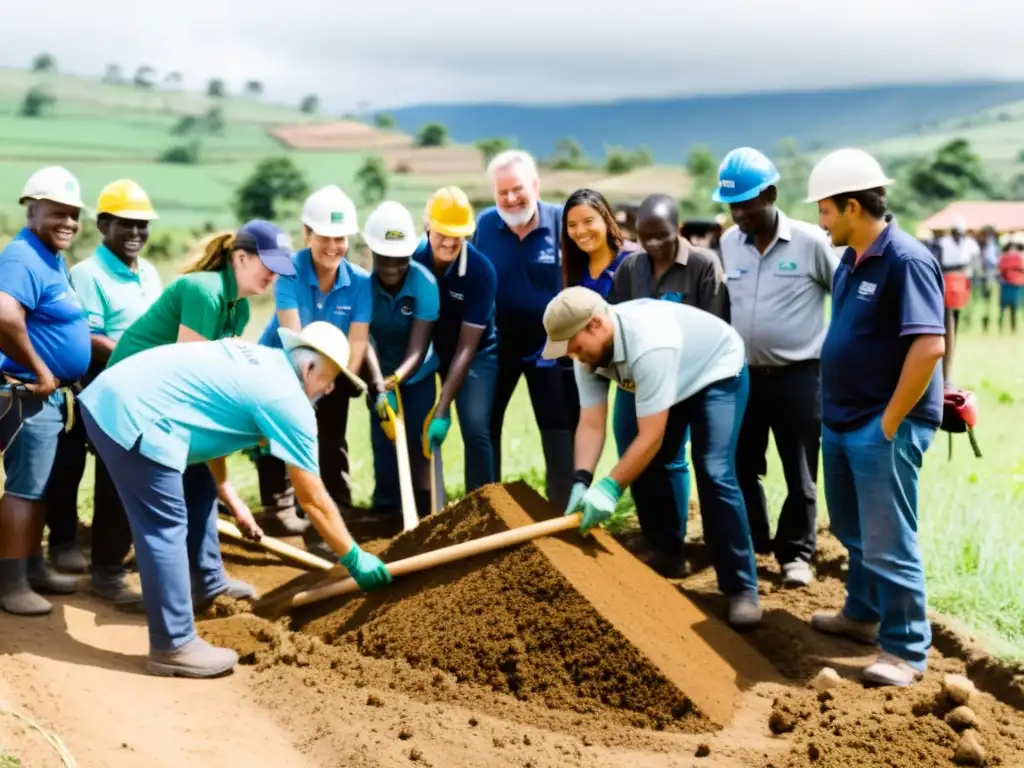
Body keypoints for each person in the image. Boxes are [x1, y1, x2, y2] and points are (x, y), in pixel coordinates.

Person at [78, 322, 392, 677]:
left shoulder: (263, 361)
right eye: (330, 378)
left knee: (191, 494)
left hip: (117, 394)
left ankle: (202, 586)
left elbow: (208, 420)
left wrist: (228, 493)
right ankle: (174, 644)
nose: (331, 388)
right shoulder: (288, 400)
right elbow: (313, 498)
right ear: (308, 368)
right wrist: (353, 557)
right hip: (133, 414)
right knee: (165, 525)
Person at [806, 148, 946, 687]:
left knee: (888, 536)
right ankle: (861, 615)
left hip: (882, 424)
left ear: (852, 207)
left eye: (825, 211)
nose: (820, 223)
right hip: (843, 417)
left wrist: (890, 421)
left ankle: (906, 649)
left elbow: (929, 346)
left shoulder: (906, 260)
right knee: (850, 526)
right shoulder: (850, 259)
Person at [544, 286, 761, 630]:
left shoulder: (648, 344)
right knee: (635, 454)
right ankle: (666, 551)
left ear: (595, 325)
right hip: (664, 377)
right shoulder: (589, 352)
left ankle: (741, 588)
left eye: (574, 345)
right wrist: (582, 480)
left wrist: (610, 488)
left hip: (714, 370)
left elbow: (653, 436)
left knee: (714, 469)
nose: (572, 354)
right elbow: (590, 423)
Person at [105, 219, 297, 601]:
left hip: (160, 405)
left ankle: (207, 580)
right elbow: (187, 385)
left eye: (280, 269)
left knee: (201, 481)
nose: (274, 275)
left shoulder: (236, 311)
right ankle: (160, 594)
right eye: (268, 264)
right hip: (132, 404)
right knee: (168, 495)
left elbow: (212, 398)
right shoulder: (203, 292)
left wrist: (230, 493)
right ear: (240, 258)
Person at [714, 147, 838, 588]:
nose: (738, 213)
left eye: (746, 203)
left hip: (799, 377)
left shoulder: (810, 243)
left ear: (770, 194)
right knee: (742, 466)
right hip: (744, 378)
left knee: (799, 470)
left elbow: (843, 296)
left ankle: (796, 555)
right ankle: (752, 541)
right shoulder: (728, 243)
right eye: (732, 204)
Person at [43, 180, 164, 606]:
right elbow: (90, 335)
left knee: (130, 470)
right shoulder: (88, 273)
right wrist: (136, 353)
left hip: (142, 381)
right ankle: (74, 549)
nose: (135, 233)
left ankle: (111, 551)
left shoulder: (148, 272)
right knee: (77, 466)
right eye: (126, 225)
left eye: (142, 226)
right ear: (104, 224)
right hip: (96, 379)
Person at [607, 193, 729, 578]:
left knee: (673, 456)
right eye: (645, 237)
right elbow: (618, 322)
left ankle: (681, 547)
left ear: (677, 229)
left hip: (688, 380)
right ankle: (659, 544)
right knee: (638, 454)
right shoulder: (631, 268)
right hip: (640, 379)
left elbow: (715, 329)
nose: (653, 245)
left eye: (661, 235)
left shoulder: (703, 265)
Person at [0, 166, 91, 616]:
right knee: (24, 489)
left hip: (46, 397)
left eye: (74, 216)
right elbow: (2, 314)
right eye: (59, 213)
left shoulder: (49, 255)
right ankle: (11, 584)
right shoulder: (22, 257)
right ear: (32, 210)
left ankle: (32, 567)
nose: (69, 223)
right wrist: (42, 369)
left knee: (36, 488)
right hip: (26, 394)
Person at [254, 185, 370, 536]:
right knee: (278, 428)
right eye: (325, 237)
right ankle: (281, 504)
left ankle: (336, 501)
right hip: (284, 360)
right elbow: (293, 334)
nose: (334, 246)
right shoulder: (287, 271)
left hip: (333, 367)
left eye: (341, 238)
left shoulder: (361, 281)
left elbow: (358, 339)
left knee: (332, 434)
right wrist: (310, 381)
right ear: (307, 234)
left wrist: (336, 375)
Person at [473, 149, 573, 508]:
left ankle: (563, 511)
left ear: (535, 185)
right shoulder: (484, 225)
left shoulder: (564, 222)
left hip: (552, 345)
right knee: (486, 423)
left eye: (518, 189)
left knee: (558, 425)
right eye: (503, 192)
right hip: (498, 344)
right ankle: (489, 508)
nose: (511, 198)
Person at [413, 187, 498, 493]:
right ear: (427, 226)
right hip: (427, 351)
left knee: (475, 425)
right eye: (442, 233)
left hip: (474, 355)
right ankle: (426, 503)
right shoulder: (412, 260)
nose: (449, 242)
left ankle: (481, 505)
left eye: (457, 234)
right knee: (416, 422)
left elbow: (466, 347)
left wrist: (443, 405)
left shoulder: (481, 272)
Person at [362, 201, 440, 519]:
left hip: (417, 372)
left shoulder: (425, 283)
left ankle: (424, 507)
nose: (393, 268)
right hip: (376, 371)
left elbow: (418, 347)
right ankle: (385, 504)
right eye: (385, 259)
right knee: (383, 436)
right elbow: (364, 340)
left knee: (419, 440)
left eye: (400, 260)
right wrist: (378, 383)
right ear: (372, 253)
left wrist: (397, 377)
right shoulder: (361, 289)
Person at [560, 188, 639, 431]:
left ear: (606, 219)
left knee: (633, 436)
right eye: (572, 225)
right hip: (590, 361)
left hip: (635, 364)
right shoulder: (573, 267)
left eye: (588, 221)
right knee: (590, 427)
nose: (580, 231)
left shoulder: (633, 259)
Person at [936, 218, 978, 333]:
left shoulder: (969, 243)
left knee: (958, 305)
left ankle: (956, 328)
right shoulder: (943, 242)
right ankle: (946, 328)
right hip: (948, 275)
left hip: (962, 277)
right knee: (946, 304)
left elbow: (974, 259)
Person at [998, 232, 1024, 333]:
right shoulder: (1008, 258)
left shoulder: (1008, 257)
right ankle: (1005, 328)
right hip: (1009, 284)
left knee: (1011, 308)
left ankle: (1011, 328)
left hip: (1014, 285)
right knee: (1008, 308)